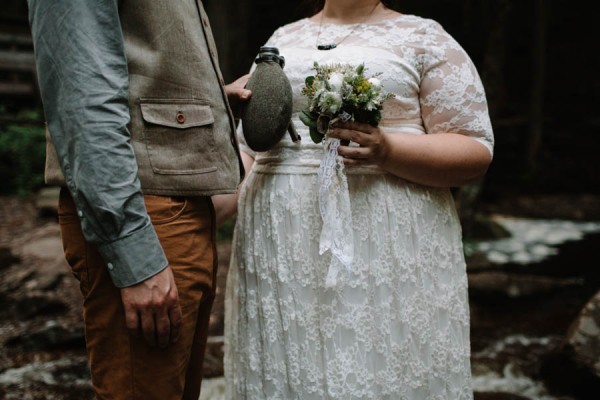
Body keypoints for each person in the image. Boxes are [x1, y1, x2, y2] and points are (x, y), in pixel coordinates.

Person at [218, 0, 494, 398]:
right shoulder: (283, 38)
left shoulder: (424, 37)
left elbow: (475, 150)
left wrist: (388, 150)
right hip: (281, 244)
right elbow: (251, 150)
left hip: (384, 243)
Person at [27, 0, 250, 399]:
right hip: (145, 211)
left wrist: (212, 104)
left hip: (176, 209)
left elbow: (146, 59)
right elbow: (82, 95)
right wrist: (134, 254)